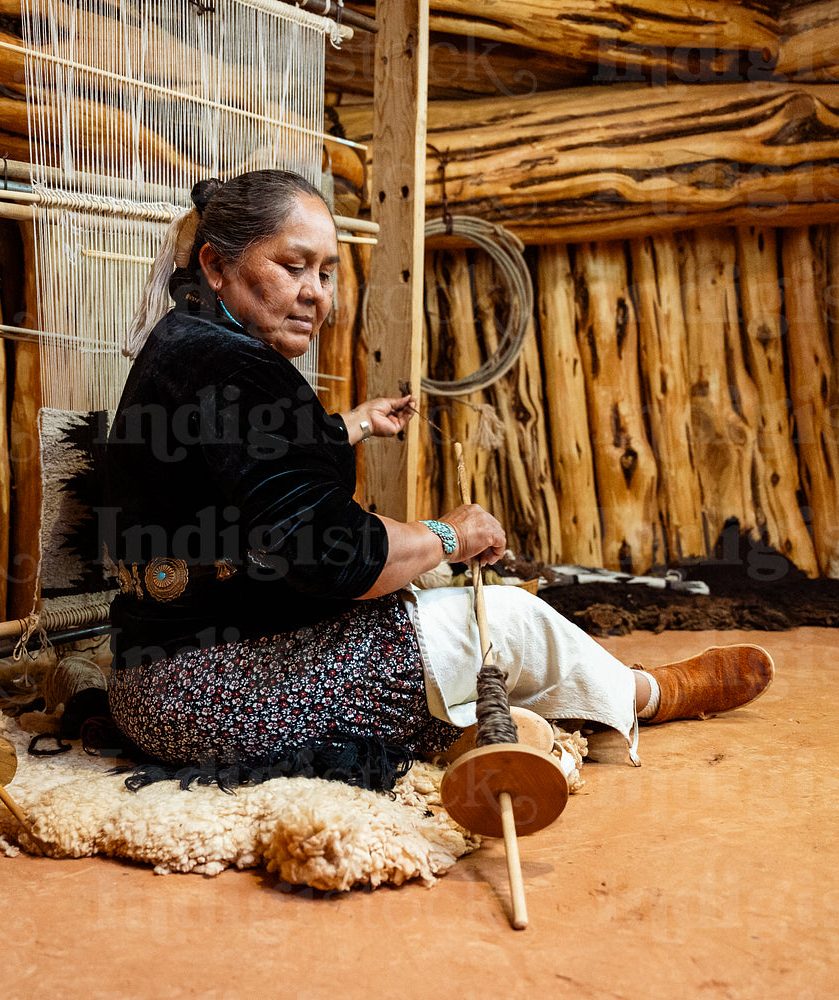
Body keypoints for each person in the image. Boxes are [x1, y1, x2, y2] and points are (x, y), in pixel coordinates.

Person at [101, 169, 773, 783]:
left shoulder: (189, 344)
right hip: (207, 697)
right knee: (503, 619)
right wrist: (446, 534)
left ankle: (578, 697)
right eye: (292, 265)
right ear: (217, 265)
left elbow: (246, 467)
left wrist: (355, 424)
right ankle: (646, 696)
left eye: (329, 274)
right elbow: (338, 559)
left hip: (152, 679)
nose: (315, 293)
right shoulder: (238, 369)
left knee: (442, 611)